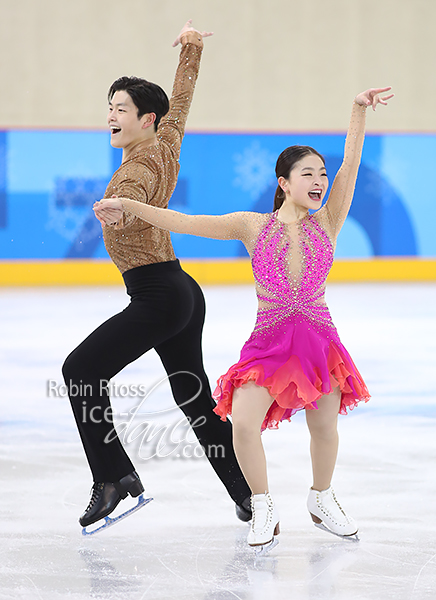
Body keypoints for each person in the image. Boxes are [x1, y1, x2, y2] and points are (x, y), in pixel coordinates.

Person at [94, 86, 393, 549]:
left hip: (318, 341)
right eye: (308, 174)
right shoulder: (252, 225)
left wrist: (357, 111)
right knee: (245, 426)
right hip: (269, 343)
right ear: (284, 182)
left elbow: (352, 164)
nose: (320, 181)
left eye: (322, 174)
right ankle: (262, 504)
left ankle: (322, 496)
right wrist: (129, 206)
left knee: (324, 428)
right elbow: (184, 222)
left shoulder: (329, 221)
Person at [62, 20, 252, 530]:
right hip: (182, 291)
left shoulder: (134, 172)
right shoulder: (165, 141)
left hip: (158, 296)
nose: (111, 116)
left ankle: (113, 478)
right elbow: (181, 101)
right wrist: (190, 48)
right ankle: (249, 495)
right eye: (110, 107)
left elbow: (137, 197)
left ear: (146, 119)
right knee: (194, 398)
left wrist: (123, 209)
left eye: (120, 109)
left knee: (80, 373)